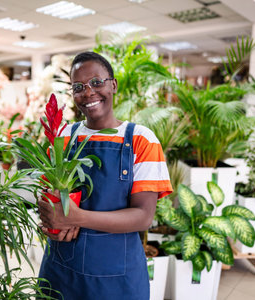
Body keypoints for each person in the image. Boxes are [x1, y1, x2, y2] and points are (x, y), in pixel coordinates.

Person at [37, 51, 173, 300]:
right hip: (60, 272)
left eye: (96, 82)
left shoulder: (141, 139)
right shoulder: (62, 137)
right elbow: (47, 195)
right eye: (78, 87)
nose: (88, 93)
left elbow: (143, 217)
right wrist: (49, 216)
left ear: (113, 84)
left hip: (116, 281)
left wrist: (75, 216)